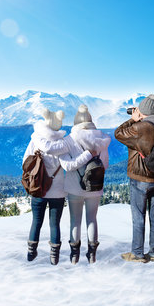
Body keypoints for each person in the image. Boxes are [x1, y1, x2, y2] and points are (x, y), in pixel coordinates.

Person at [23, 108, 92, 265]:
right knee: (55, 224)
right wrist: (88, 154)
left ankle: (31, 254)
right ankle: (55, 257)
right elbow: (70, 165)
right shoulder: (63, 145)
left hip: (38, 189)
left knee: (36, 222)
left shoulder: (36, 141)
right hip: (58, 192)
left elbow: (25, 162)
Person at [114, 94, 154, 263]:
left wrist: (132, 120)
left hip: (140, 179)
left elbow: (119, 134)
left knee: (138, 217)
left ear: (142, 111)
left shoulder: (141, 128)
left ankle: (137, 253)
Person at [59, 105, 111, 264]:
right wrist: (91, 157)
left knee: (75, 220)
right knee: (92, 219)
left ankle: (74, 256)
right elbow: (105, 164)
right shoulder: (101, 140)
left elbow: (68, 166)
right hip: (95, 187)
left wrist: (84, 156)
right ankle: (92, 255)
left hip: (75, 187)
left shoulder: (68, 140)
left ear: (75, 123)